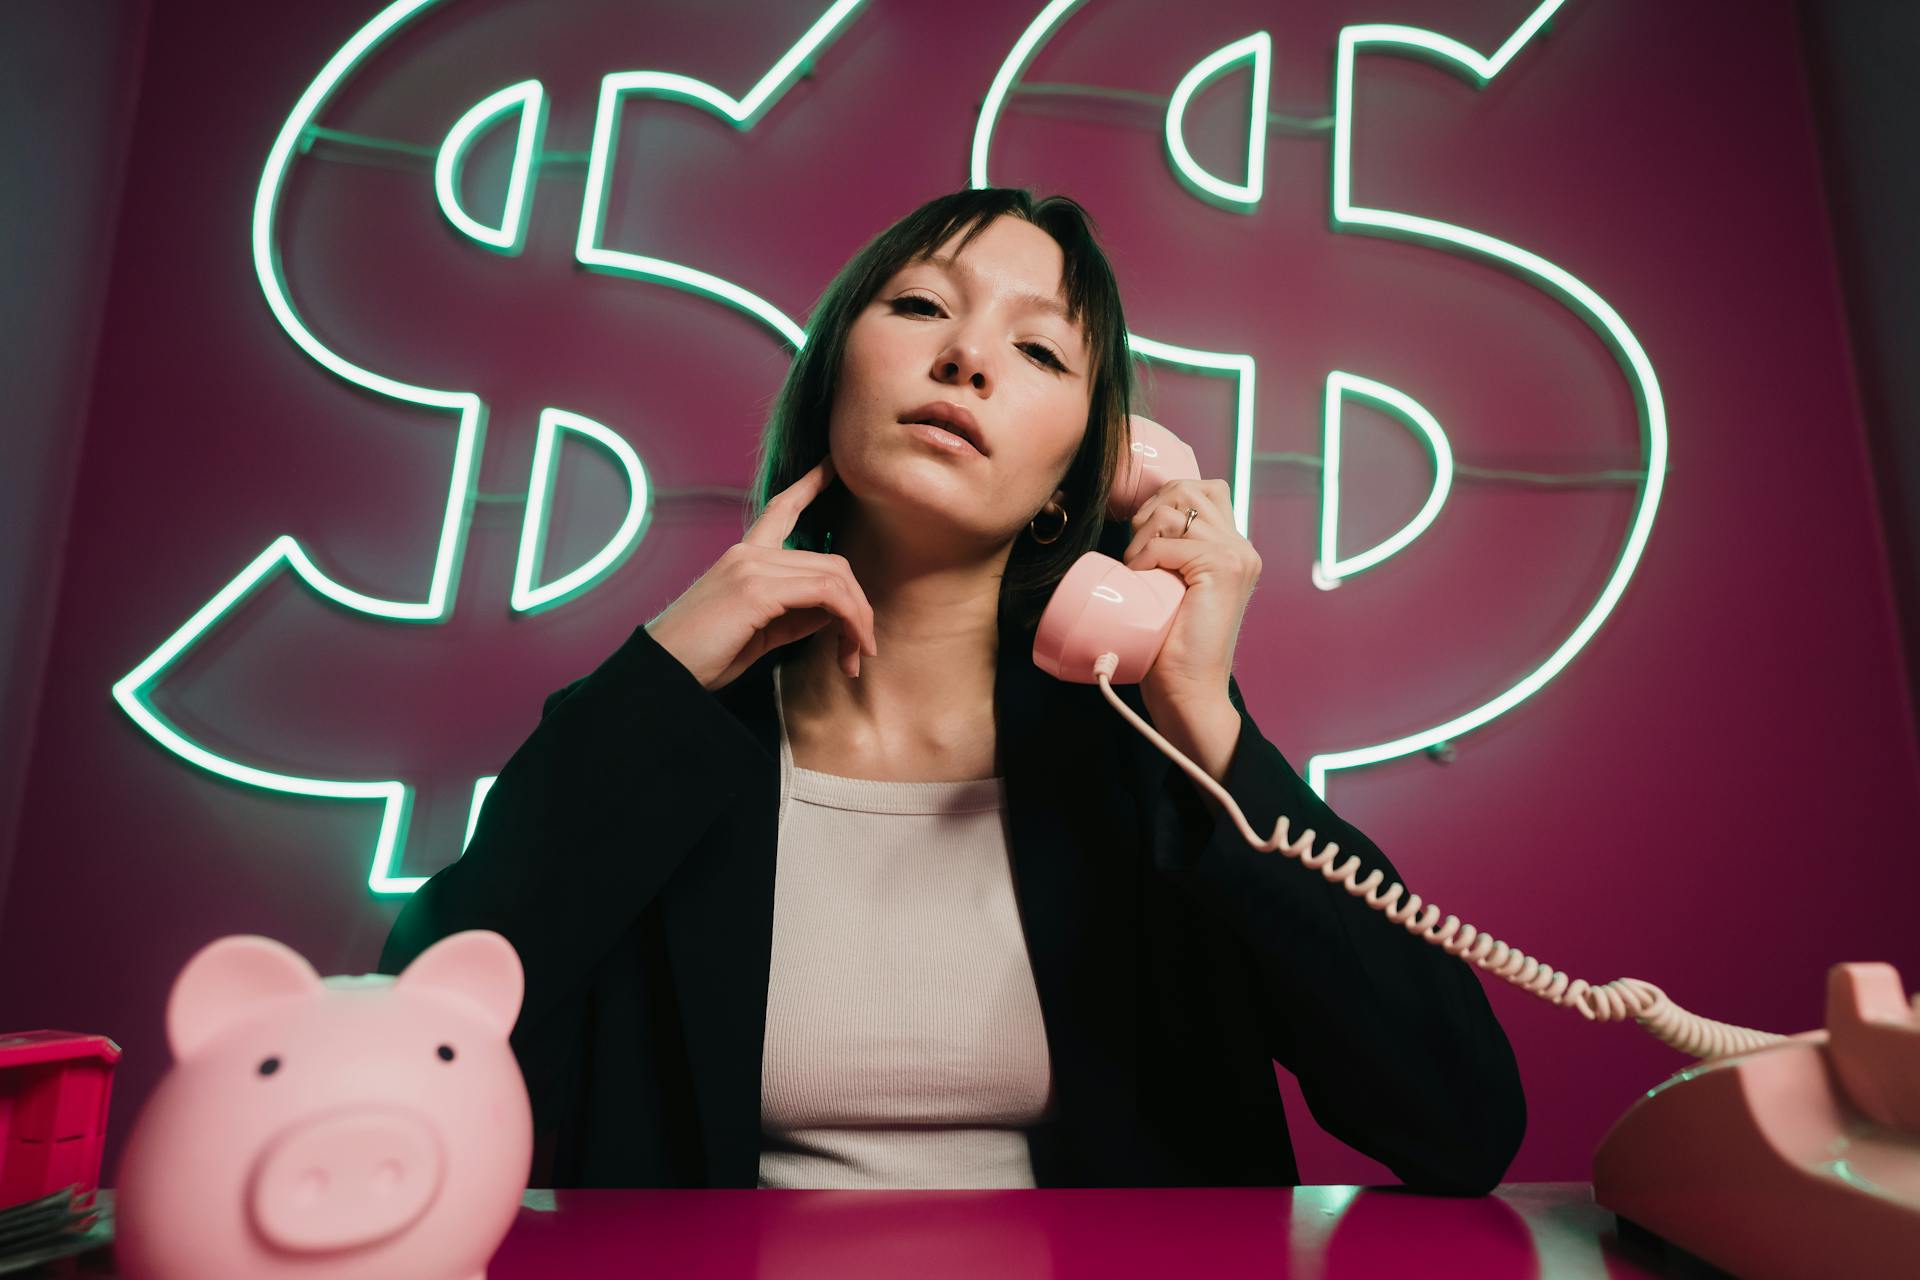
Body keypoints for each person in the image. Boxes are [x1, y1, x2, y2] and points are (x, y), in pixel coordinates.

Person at [378, 186, 1527, 1193]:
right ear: (834, 376)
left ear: (1078, 478)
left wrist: (1210, 727)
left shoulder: (1146, 760)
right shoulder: (661, 738)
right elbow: (408, 1052)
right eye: (922, 307)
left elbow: (1460, 1121)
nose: (967, 358)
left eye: (1040, 352)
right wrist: (662, 673)